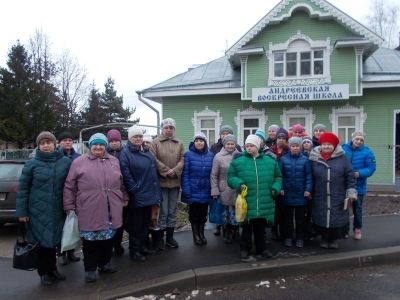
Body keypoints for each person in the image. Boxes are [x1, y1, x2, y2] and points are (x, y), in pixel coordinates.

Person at [63, 133, 129, 282]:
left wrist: (124, 197)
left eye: (101, 144)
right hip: (89, 208)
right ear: (90, 145)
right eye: (95, 144)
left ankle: (105, 263)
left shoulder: (113, 161)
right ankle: (90, 269)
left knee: (108, 239)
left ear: (104, 145)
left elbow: (121, 182)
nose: (98, 147)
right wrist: (69, 205)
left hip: (111, 208)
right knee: (90, 241)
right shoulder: (79, 162)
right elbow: (69, 186)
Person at [16, 131, 71, 286]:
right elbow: (23, 189)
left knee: (53, 242)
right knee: (41, 243)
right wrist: (22, 212)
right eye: (42, 143)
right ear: (38, 146)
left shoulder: (65, 162)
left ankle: (53, 269)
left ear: (55, 144)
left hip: (58, 210)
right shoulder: (32, 164)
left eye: (49, 142)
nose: (46, 146)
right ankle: (44, 272)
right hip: (37, 211)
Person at [228, 135, 282, 259]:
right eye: (247, 146)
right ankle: (244, 249)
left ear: (258, 146)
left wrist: (275, 188)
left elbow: (278, 177)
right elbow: (230, 177)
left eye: (251, 146)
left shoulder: (270, 161)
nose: (249, 148)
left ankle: (262, 248)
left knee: (260, 227)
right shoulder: (238, 162)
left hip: (264, 199)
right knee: (246, 226)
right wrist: (238, 183)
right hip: (247, 200)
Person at [119, 125, 163, 261]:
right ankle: (134, 250)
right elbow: (125, 174)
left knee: (145, 223)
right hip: (138, 195)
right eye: (135, 136)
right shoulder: (126, 153)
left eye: (140, 136)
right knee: (135, 225)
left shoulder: (146, 151)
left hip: (149, 193)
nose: (138, 139)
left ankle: (143, 246)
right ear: (130, 138)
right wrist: (134, 190)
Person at [309, 132, 357, 250]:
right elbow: (309, 176)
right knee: (321, 215)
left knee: (336, 216)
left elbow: (350, 175)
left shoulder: (343, 158)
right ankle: (324, 238)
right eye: (324, 144)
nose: (326, 147)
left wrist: (350, 193)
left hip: (338, 193)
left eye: (329, 144)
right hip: (320, 194)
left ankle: (333, 239)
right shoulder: (314, 158)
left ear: (334, 146)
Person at [150, 118, 184, 249]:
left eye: (171, 127)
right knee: (162, 211)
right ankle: (159, 239)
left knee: (172, 210)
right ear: (162, 129)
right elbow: (153, 159)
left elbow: (182, 159)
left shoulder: (179, 143)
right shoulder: (155, 142)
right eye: (166, 127)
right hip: (162, 181)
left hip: (175, 182)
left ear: (174, 129)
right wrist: (166, 171)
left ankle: (170, 237)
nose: (168, 130)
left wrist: (175, 171)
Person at [279, 137, 313, 248]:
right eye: (293, 146)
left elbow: (308, 176)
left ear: (300, 147)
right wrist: (281, 188)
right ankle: (288, 237)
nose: (295, 148)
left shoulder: (305, 160)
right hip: (287, 193)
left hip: (301, 193)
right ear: (289, 146)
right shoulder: (284, 159)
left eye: (297, 146)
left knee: (300, 219)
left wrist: (308, 189)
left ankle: (300, 238)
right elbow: (280, 176)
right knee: (288, 218)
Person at [342, 131, 376, 240]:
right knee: (344, 208)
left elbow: (371, 168)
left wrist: (360, 173)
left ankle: (357, 229)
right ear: (353, 139)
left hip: (359, 185)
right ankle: (344, 230)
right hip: (344, 184)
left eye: (361, 140)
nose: (359, 142)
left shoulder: (368, 152)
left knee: (357, 209)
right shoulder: (343, 149)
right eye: (357, 139)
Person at [181, 132, 214, 245]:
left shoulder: (211, 155)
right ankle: (196, 235)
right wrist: (186, 190)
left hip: (206, 189)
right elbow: (185, 174)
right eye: (197, 141)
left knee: (203, 214)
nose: (199, 142)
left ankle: (202, 234)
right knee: (194, 214)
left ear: (205, 142)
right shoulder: (188, 155)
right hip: (193, 189)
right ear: (194, 142)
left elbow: (213, 174)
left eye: (201, 140)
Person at [209, 125, 242, 236]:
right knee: (225, 212)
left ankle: (236, 230)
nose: (230, 146)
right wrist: (215, 191)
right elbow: (213, 175)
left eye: (232, 144)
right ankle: (226, 231)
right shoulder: (218, 156)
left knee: (237, 210)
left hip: (236, 189)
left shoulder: (240, 156)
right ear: (224, 144)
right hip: (223, 188)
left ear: (235, 145)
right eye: (228, 144)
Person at [57, 132, 81, 265]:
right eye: (64, 140)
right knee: (62, 226)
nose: (68, 142)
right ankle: (60, 252)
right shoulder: (56, 156)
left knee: (73, 225)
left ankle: (71, 251)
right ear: (59, 142)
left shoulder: (77, 157)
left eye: (70, 140)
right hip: (59, 195)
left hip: (75, 195)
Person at [106, 129, 127, 255]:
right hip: (108, 192)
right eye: (111, 141)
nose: (114, 143)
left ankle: (118, 244)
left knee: (120, 220)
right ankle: (109, 245)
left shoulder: (125, 153)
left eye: (116, 141)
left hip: (122, 190)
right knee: (108, 220)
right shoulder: (104, 153)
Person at [269, 128, 290, 240]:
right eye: (279, 138)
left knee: (284, 208)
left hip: (286, 183)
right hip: (274, 183)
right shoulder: (270, 151)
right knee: (275, 208)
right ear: (276, 139)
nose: (281, 140)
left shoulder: (289, 151)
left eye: (283, 138)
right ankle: (273, 229)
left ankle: (283, 230)